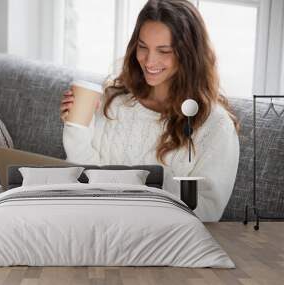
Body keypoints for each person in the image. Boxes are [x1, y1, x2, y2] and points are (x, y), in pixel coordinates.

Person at [60, 0, 239, 222]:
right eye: (143, 47)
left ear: (188, 55)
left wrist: (143, 186)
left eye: (164, 51)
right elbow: (84, 177)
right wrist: (77, 127)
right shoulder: (114, 100)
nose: (149, 61)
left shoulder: (215, 125)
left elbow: (207, 210)